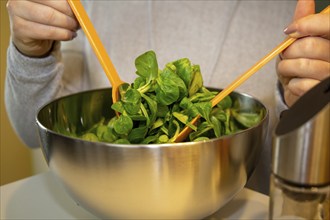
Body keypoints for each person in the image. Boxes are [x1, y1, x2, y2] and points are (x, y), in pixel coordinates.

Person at [5, 0, 329, 195]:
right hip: (107, 203)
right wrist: (32, 54)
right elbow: (31, 130)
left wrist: (303, 106)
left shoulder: (293, 10)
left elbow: (295, 177)